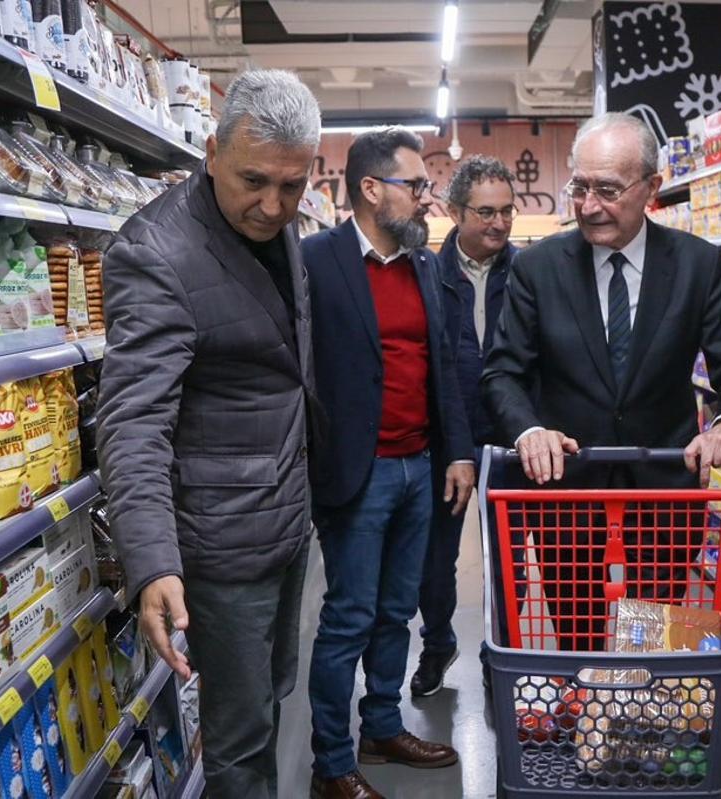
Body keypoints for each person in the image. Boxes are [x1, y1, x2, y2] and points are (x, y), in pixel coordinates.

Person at [96, 69, 323, 799]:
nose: (273, 205)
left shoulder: (280, 225)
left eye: (292, 186)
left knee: (267, 702)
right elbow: (132, 421)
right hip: (221, 544)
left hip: (285, 518)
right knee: (238, 738)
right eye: (255, 180)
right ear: (211, 151)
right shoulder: (156, 253)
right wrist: (153, 560)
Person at [481, 112, 721, 652]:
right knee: (579, 640)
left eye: (608, 189)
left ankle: (641, 727)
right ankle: (589, 724)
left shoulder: (696, 265)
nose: (589, 206)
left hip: (665, 492)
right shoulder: (537, 269)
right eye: (580, 187)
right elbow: (502, 372)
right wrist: (529, 430)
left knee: (657, 643)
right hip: (570, 495)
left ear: (651, 189)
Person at [303, 127, 474, 799]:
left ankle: (381, 724)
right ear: (372, 190)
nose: (427, 198)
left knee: (396, 610)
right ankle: (332, 763)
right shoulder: (315, 261)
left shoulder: (423, 265)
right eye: (416, 185)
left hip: (418, 467)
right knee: (348, 614)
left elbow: (446, 368)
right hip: (357, 471)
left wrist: (456, 450)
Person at [412, 155, 518, 697]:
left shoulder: (527, 272)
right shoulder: (427, 273)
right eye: (485, 212)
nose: (498, 223)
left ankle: (496, 653)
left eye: (507, 212)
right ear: (455, 211)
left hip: (509, 438)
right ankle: (437, 643)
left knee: (507, 557)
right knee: (436, 558)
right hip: (446, 439)